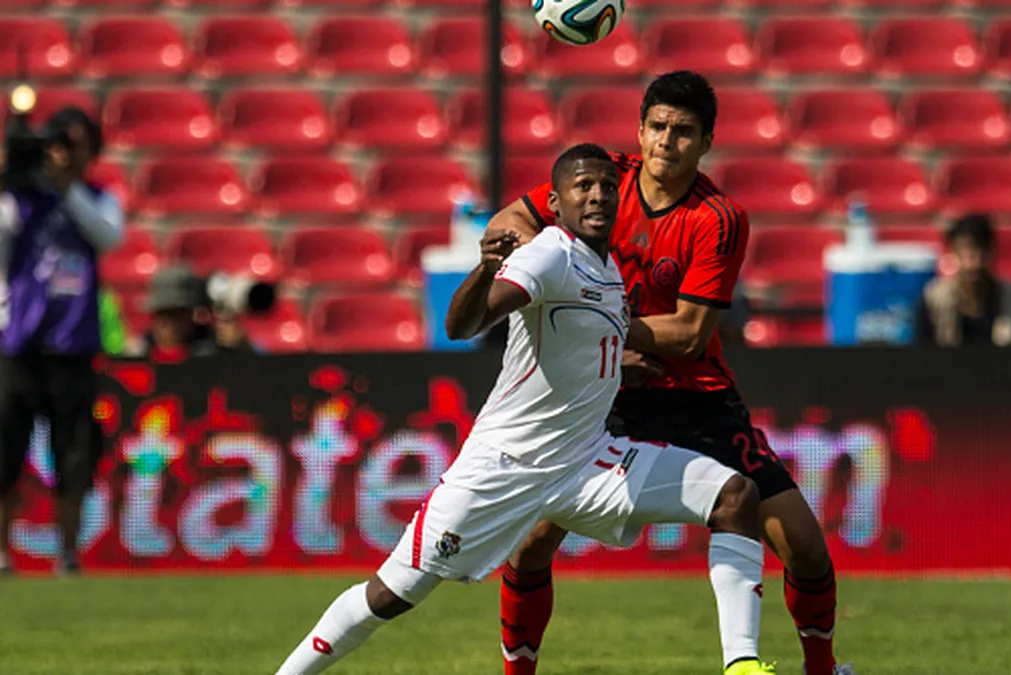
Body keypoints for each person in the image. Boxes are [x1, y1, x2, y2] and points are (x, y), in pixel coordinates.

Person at [274, 144, 775, 675]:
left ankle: (741, 665)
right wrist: (486, 270)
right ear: (556, 203)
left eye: (608, 186)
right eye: (583, 186)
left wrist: (611, 368)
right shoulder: (551, 253)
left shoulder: (607, 269)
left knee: (734, 495)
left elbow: (573, 341)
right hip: (506, 465)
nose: (598, 195)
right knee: (393, 592)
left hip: (586, 462)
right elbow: (462, 326)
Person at [485, 71, 852, 675]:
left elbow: (688, 334)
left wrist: (591, 318)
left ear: (706, 141)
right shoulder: (603, 181)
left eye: (683, 131)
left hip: (694, 398)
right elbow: (507, 223)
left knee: (805, 546)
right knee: (530, 542)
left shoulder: (718, 217)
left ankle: (823, 668)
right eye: (657, 126)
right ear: (639, 130)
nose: (666, 141)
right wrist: (584, 315)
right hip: (602, 393)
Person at [0, 106, 124, 576]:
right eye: (56, 144)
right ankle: (2, 554)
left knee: (73, 455)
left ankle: (68, 554)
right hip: (19, 344)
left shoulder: (97, 198)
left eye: (73, 146)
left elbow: (108, 237)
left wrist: (67, 188)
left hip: (72, 346)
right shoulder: (19, 201)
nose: (63, 155)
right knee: (5, 453)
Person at [916, 213, 1011, 347]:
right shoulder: (934, 301)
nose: (972, 265)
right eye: (964, 254)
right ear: (952, 253)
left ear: (991, 252)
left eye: (978, 253)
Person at [137, 265, 254, 360]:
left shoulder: (212, 347)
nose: (167, 325)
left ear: (191, 314)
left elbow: (256, 371)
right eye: (162, 316)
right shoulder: (142, 351)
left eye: (176, 315)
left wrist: (241, 347)